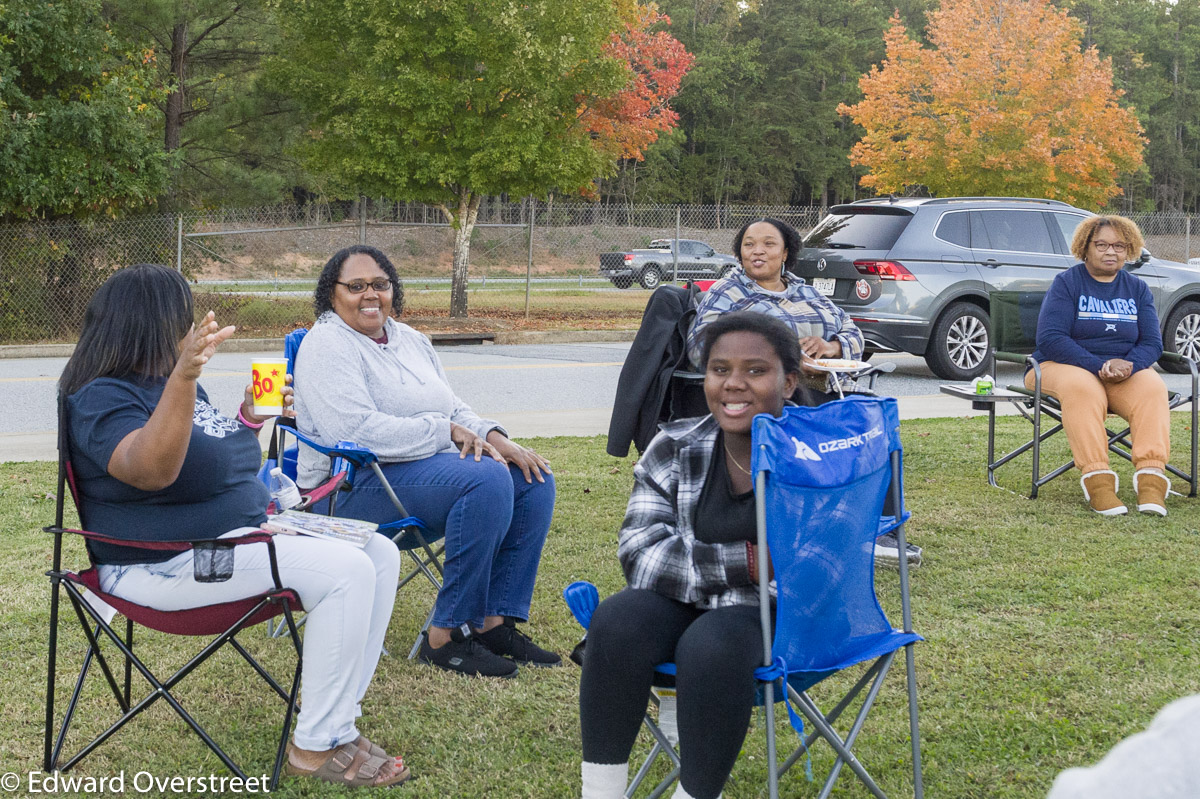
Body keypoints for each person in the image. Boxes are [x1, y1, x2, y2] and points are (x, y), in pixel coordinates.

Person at [60, 265, 408, 788]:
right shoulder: (102, 397)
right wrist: (184, 377)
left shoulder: (175, 389)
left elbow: (226, 462)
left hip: (235, 540)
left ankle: (336, 721)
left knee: (380, 553)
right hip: (161, 564)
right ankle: (316, 746)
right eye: (184, 315)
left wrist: (248, 418)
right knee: (347, 572)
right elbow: (151, 470)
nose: (192, 326)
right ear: (154, 323)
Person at [294, 244, 560, 678]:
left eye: (380, 285)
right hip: (348, 487)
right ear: (332, 294)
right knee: (487, 480)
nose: (370, 295)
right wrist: (444, 432)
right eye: (356, 286)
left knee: (531, 477)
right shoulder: (326, 346)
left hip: (420, 476)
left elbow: (452, 407)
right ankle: (445, 635)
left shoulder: (410, 340)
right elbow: (356, 431)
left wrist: (493, 436)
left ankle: (493, 623)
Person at [579, 311, 800, 799]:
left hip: (784, 615)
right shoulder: (675, 443)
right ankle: (600, 791)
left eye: (755, 371)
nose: (733, 385)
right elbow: (640, 555)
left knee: (711, 643)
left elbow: (816, 569)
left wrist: (714, 566)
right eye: (719, 370)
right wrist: (746, 561)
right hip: (695, 599)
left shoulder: (817, 457)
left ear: (788, 383)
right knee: (617, 618)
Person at [1029, 215, 1172, 516]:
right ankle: (1098, 481)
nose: (1111, 252)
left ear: (1129, 249)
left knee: (1152, 387)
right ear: (1085, 248)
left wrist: (1130, 366)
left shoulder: (1137, 289)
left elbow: (1152, 343)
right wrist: (1098, 365)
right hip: (1061, 366)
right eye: (1102, 245)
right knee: (1083, 387)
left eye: (1119, 246)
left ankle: (1151, 479)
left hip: (1119, 373)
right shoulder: (1067, 283)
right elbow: (1051, 338)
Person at [686, 216, 865, 398]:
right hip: (774, 398)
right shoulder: (727, 292)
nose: (758, 251)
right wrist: (784, 361)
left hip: (838, 390)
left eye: (769, 244)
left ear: (785, 253)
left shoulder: (808, 293)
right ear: (740, 254)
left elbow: (853, 331)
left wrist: (832, 347)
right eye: (749, 245)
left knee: (877, 413)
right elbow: (700, 349)